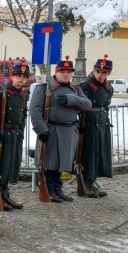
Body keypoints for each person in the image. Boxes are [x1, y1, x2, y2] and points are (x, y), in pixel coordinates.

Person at [29, 57, 91, 203]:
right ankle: (49, 190)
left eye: (69, 72)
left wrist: (72, 99)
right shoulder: (44, 88)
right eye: (63, 72)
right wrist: (41, 129)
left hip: (69, 131)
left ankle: (58, 189)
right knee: (50, 162)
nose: (66, 75)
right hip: (51, 130)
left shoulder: (76, 90)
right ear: (56, 72)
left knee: (62, 162)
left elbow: (87, 104)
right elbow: (35, 110)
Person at [0, 59, 31, 211]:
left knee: (10, 166)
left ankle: (5, 194)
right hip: (4, 134)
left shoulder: (23, 94)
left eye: (24, 76)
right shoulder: (1, 94)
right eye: (18, 76)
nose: (21, 79)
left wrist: (21, 130)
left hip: (15, 134)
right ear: (12, 77)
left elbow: (23, 115)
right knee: (1, 167)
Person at [78, 55, 115, 197]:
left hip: (102, 122)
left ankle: (92, 181)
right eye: (98, 72)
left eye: (104, 73)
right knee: (89, 153)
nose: (100, 75)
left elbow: (106, 106)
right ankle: (85, 183)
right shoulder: (85, 87)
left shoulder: (108, 87)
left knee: (99, 152)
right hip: (89, 121)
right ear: (93, 71)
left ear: (108, 73)